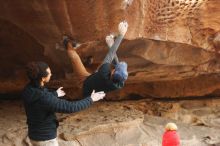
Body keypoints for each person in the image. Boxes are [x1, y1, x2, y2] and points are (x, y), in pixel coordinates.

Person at [22, 61, 105, 146]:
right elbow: (70, 107)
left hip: (33, 135)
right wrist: (91, 99)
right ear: (43, 78)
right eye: (49, 73)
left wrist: (55, 94)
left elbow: (40, 97)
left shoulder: (28, 89)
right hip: (46, 140)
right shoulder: (44, 98)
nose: (51, 74)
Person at [64, 21, 129, 97]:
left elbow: (110, 55)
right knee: (104, 64)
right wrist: (111, 45)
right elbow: (115, 64)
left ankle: (67, 42)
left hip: (84, 82)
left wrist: (121, 34)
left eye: (115, 69)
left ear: (113, 72)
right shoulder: (120, 83)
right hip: (96, 80)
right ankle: (86, 64)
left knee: (74, 58)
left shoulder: (104, 73)